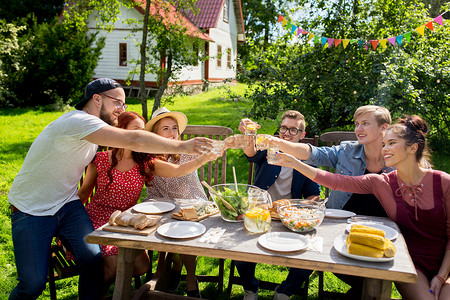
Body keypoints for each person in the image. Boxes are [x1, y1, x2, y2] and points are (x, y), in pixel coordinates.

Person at [7, 78, 212, 300]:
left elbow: (135, 145)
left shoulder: (96, 132)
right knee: (32, 285)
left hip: (67, 205)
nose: (121, 109)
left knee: (93, 261)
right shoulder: (77, 121)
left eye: (123, 105)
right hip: (31, 209)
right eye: (117, 102)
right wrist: (182, 145)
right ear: (96, 99)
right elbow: (133, 139)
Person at [273, 115, 450, 300]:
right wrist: (294, 163)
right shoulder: (381, 182)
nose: (385, 149)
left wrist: (442, 275)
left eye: (391, 143)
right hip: (411, 262)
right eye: (384, 144)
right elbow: (336, 181)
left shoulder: (443, 182)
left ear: (413, 148)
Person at [76, 111, 218, 297]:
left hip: (126, 220)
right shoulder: (101, 159)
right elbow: (84, 192)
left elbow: (178, 171)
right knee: (112, 267)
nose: (141, 136)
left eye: (143, 132)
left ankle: (119, 288)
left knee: (142, 265)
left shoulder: (143, 162)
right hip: (97, 220)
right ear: (121, 132)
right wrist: (70, 224)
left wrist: (204, 158)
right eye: (137, 131)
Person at [234, 110, 321, 300]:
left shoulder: (307, 158)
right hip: (259, 212)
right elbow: (250, 152)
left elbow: (315, 194)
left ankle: (284, 291)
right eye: (284, 128)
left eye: (293, 130)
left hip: (290, 217)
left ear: (302, 135)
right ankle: (250, 288)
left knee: (310, 256)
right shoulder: (268, 147)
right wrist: (248, 133)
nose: (286, 134)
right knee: (238, 250)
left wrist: (297, 207)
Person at [271, 105, 394, 217]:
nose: (358, 129)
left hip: (384, 225)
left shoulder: (398, 159)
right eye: (356, 124)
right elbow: (314, 153)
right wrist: (277, 142)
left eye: (365, 123)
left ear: (383, 128)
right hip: (338, 219)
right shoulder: (346, 151)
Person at [144, 107, 208, 297]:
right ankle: (170, 266)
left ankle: (190, 277)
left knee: (186, 231)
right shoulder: (148, 158)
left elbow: (209, 149)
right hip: (161, 207)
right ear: (154, 134)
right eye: (165, 129)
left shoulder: (188, 151)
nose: (172, 133)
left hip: (192, 206)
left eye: (174, 128)